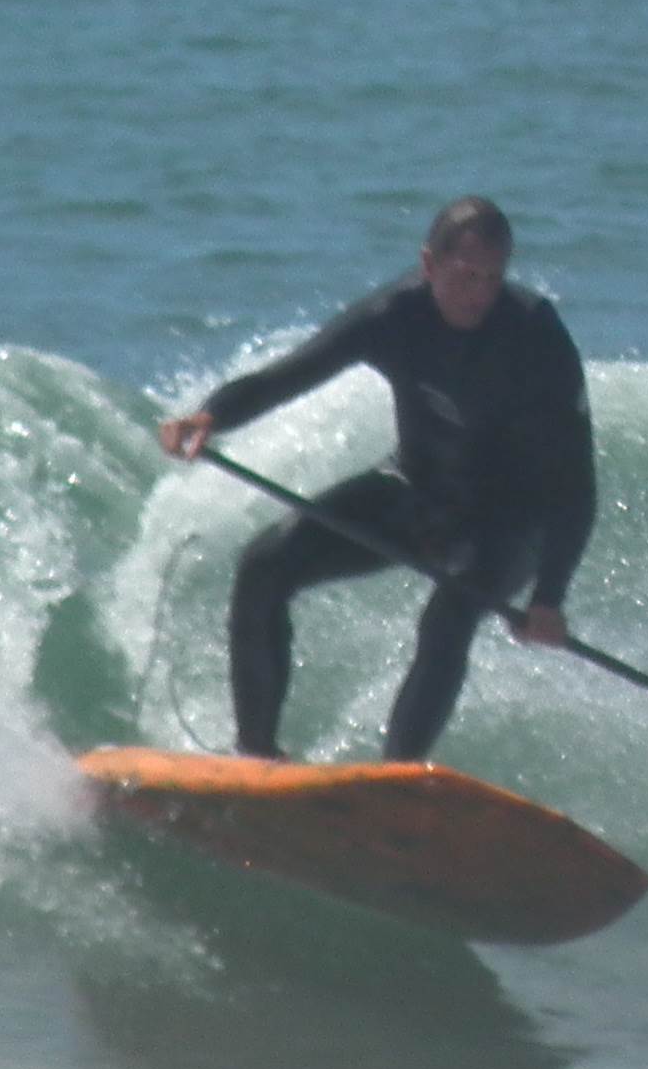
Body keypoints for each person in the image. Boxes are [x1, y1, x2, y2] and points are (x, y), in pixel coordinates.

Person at [157, 196, 597, 763]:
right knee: (264, 565)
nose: (479, 293)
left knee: (449, 615)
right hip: (417, 492)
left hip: (511, 523)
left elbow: (575, 483)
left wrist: (549, 597)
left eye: (492, 278)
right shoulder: (393, 316)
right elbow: (288, 375)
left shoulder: (535, 336)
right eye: (465, 275)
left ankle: (396, 780)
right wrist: (211, 417)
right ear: (429, 263)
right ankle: (258, 757)